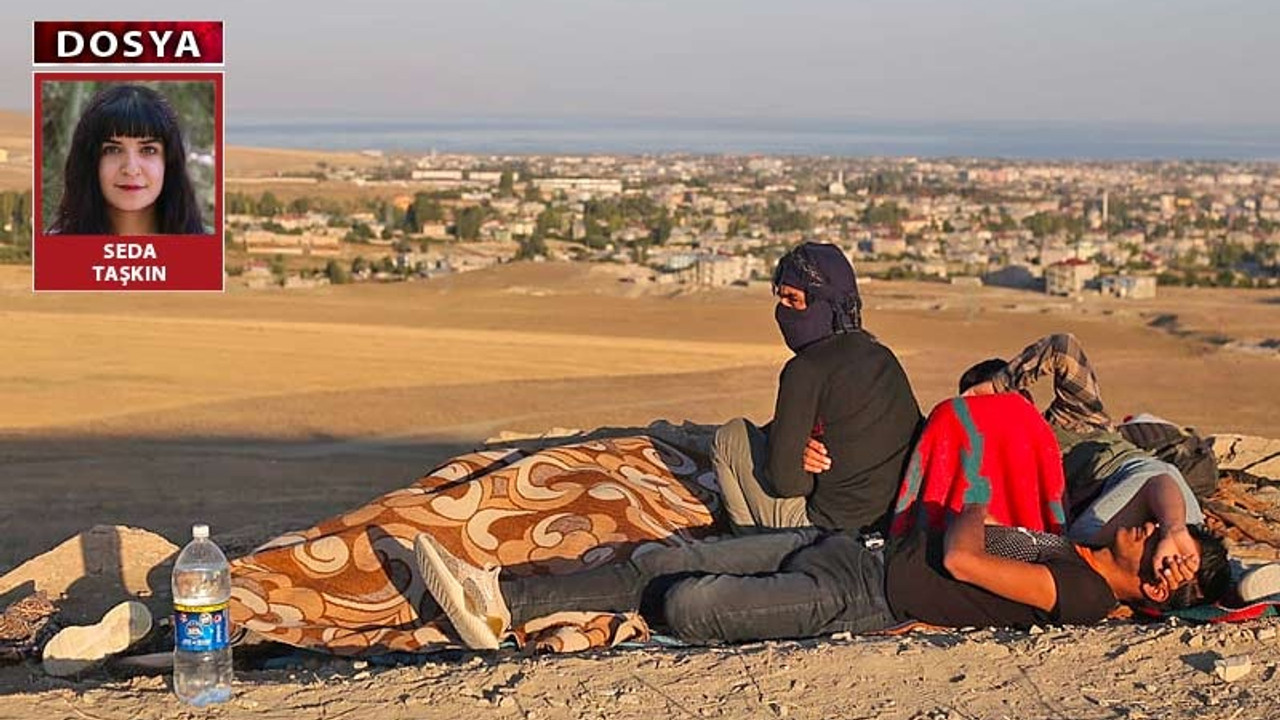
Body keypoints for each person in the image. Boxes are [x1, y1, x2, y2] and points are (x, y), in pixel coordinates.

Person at [413, 498, 1230, 650]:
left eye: (1168, 547)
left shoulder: (1083, 594)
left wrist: (973, 507)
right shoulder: (1085, 549)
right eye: (1166, 531)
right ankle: (496, 600)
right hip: (854, 547)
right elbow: (1163, 484)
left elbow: (959, 558)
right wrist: (1186, 537)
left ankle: (501, 607)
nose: (1159, 526)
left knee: (687, 602)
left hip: (864, 593)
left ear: (1157, 588)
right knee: (667, 559)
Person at [958, 333, 1207, 582]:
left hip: (1142, 481)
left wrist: (997, 386)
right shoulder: (993, 463)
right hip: (1123, 524)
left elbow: (1063, 348)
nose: (1001, 415)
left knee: (1068, 560)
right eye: (987, 414)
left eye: (1004, 404)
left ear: (1026, 398)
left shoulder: (1074, 419)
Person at [711, 242, 921, 535]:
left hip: (824, 530)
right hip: (889, 525)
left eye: (793, 300)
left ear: (826, 303)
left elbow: (788, 483)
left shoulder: (805, 370)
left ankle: (749, 543)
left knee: (730, 435)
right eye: (780, 299)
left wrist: (803, 464)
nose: (782, 311)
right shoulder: (882, 356)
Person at [49, 84, 206, 236]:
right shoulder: (51, 251)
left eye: (148, 150)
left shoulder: (209, 251)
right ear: (91, 162)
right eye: (113, 149)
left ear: (169, 162)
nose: (131, 169)